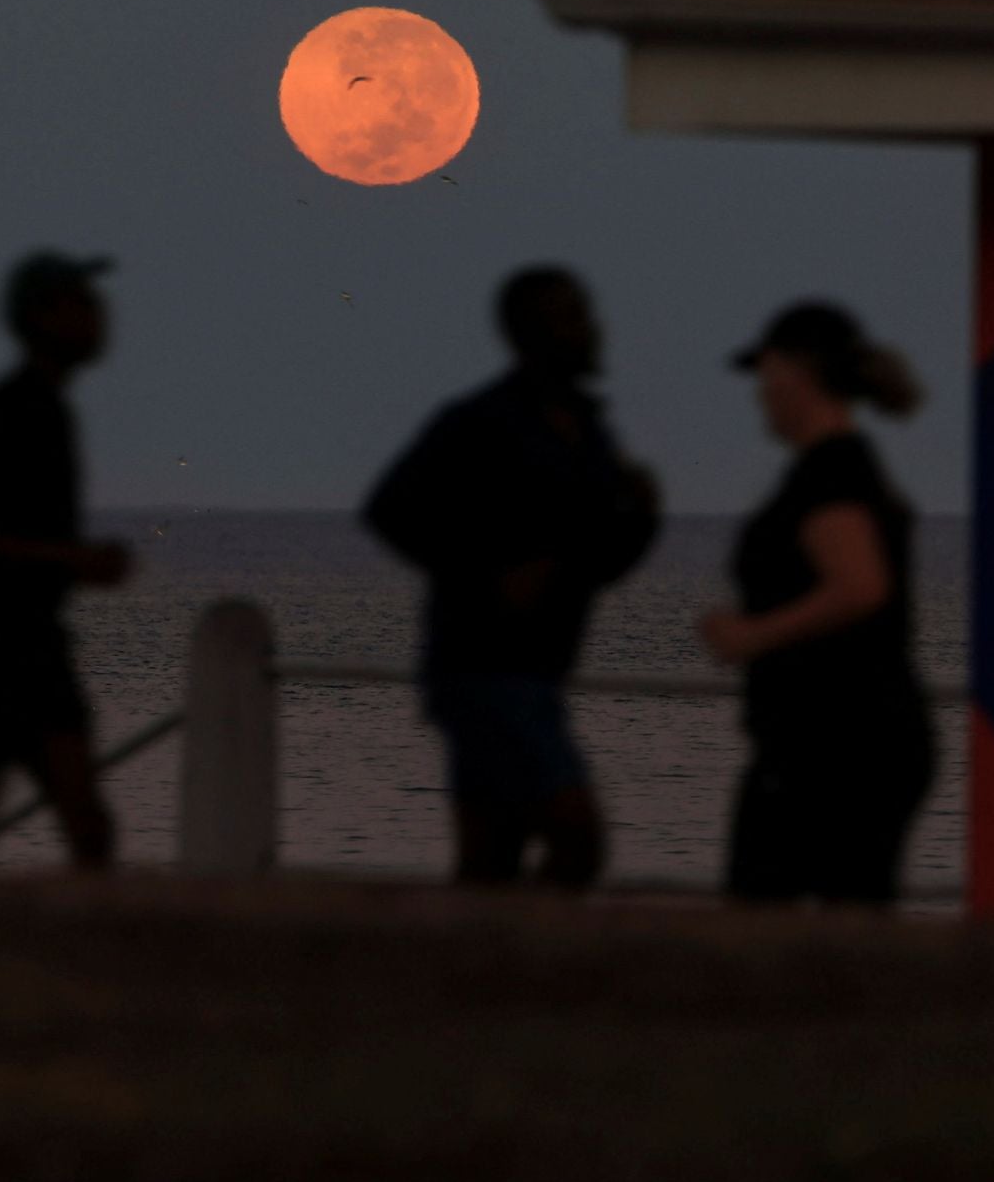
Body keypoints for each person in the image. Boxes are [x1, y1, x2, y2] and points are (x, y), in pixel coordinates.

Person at [364, 266, 658, 888]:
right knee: (577, 837)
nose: (590, 329)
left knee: (490, 856)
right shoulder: (482, 421)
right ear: (529, 333)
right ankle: (528, 963)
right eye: (572, 315)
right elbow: (390, 511)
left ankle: (478, 974)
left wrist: (643, 520)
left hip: (539, 668)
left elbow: (593, 560)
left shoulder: (588, 429)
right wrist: (486, 578)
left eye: (586, 312)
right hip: (483, 668)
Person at [702, 302, 932, 905]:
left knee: (765, 914)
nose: (760, 395)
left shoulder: (831, 475)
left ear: (793, 374)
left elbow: (860, 585)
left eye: (766, 374)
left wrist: (753, 636)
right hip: (845, 739)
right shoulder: (840, 470)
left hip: (835, 744)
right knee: (843, 918)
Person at [0, 251, 133, 869]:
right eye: (81, 304)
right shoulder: (17, 410)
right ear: (43, 318)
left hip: (25, 642)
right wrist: (71, 559)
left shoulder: (43, 409)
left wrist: (65, 563)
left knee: (77, 829)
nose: (100, 317)